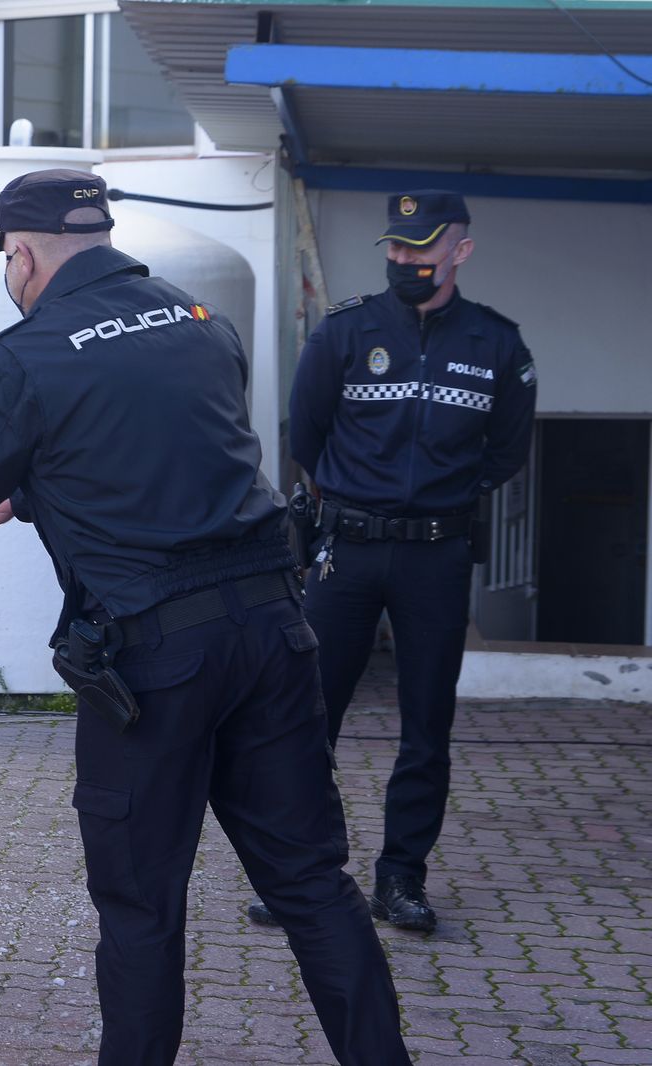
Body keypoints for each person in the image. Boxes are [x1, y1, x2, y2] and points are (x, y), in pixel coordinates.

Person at [0, 169, 411, 1066]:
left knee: (142, 907)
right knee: (314, 882)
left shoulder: (22, 356)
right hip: (274, 632)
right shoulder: (200, 324)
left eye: (10, 261)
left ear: (24, 254)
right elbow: (156, 455)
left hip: (156, 664)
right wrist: (32, 496)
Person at [274, 190, 537, 934]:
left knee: (427, 725)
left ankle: (402, 880)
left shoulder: (497, 345)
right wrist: (360, 499)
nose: (404, 260)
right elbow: (308, 432)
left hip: (437, 557)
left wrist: (441, 500)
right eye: (395, 247)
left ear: (460, 249)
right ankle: (302, 876)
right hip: (348, 551)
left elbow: (508, 453)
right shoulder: (346, 332)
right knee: (309, 717)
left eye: (421, 249)